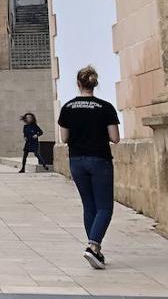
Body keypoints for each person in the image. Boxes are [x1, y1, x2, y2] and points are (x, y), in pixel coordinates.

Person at [57, 65, 120, 270]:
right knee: (104, 207)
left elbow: (64, 137)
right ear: (95, 83)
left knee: (89, 205)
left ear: (78, 84)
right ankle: (93, 246)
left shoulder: (67, 107)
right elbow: (115, 137)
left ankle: (96, 250)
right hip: (99, 159)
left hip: (76, 160)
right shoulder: (105, 107)